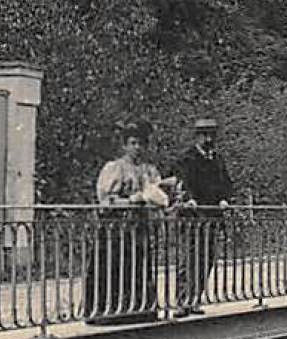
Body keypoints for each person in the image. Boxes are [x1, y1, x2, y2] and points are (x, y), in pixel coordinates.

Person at [86, 120, 170, 324]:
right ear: (124, 145)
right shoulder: (115, 168)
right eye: (133, 143)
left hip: (139, 228)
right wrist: (133, 199)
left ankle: (140, 310)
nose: (137, 148)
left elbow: (158, 194)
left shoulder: (148, 170)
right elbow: (106, 200)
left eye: (141, 144)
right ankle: (109, 312)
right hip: (117, 228)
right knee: (114, 267)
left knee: (139, 267)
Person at [172, 117, 235, 317]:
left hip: (212, 217)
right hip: (191, 217)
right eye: (205, 135)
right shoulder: (187, 158)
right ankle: (183, 301)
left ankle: (195, 299)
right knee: (188, 258)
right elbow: (182, 182)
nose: (208, 139)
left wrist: (225, 199)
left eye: (211, 135)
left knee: (206, 259)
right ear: (197, 137)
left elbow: (226, 182)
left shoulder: (217, 159)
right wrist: (189, 199)